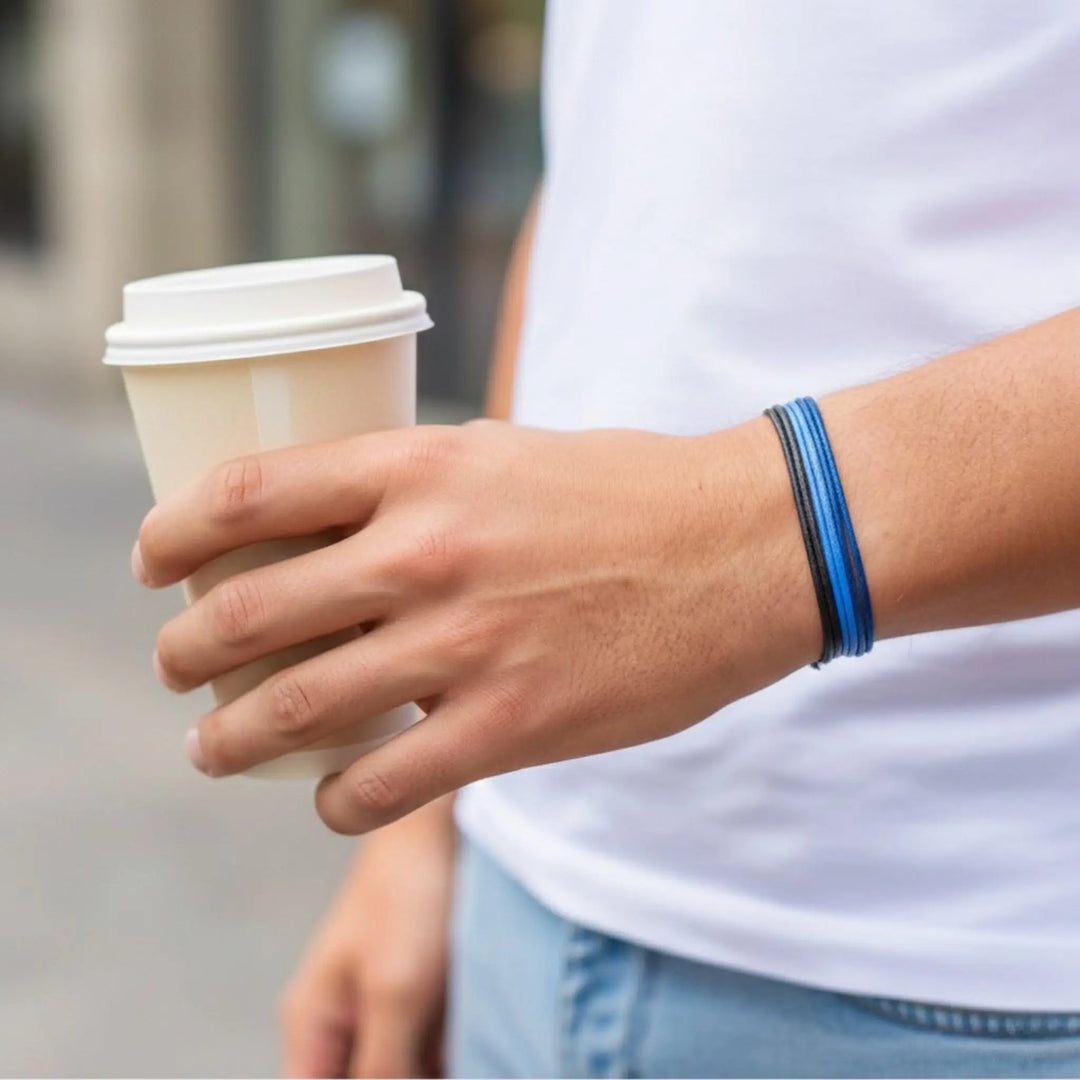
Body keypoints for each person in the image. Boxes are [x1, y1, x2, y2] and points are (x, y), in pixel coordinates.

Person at [132, 2, 1080, 1076]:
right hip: (524, 905)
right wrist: (431, 820)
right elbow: (609, 162)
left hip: (979, 971)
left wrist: (748, 543)